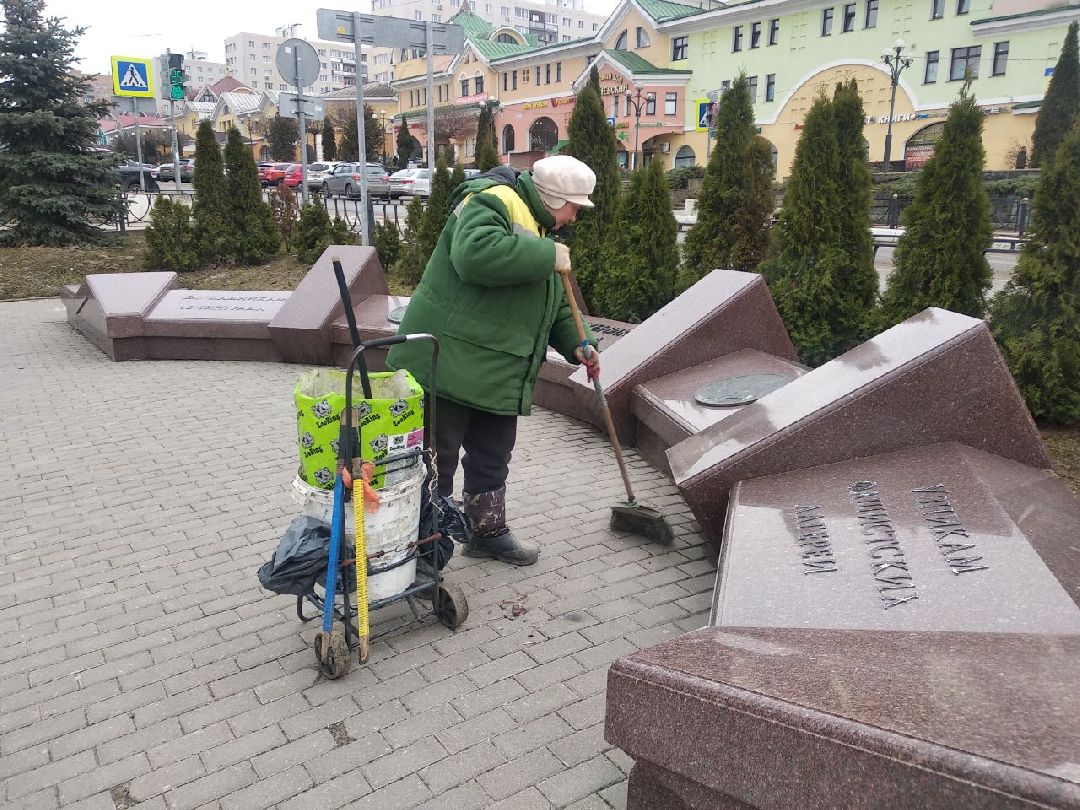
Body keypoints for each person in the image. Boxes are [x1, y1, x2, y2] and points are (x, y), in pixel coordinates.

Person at [386, 155, 601, 566]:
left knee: (492, 454)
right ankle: (421, 544)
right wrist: (545, 254)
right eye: (574, 206)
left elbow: (553, 302)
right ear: (554, 199)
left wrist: (580, 343)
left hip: (496, 368)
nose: (574, 216)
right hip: (447, 361)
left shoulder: (540, 228)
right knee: (436, 458)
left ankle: (487, 531)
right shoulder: (490, 199)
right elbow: (474, 255)